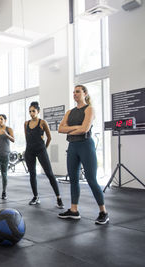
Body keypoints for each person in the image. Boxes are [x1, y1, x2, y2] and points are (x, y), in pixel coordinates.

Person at [58, 85, 109, 225]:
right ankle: (74, 210)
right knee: (73, 179)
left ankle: (103, 212)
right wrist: (75, 128)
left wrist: (70, 131)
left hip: (86, 145)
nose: (74, 94)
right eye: (73, 92)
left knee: (91, 179)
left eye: (78, 91)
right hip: (73, 147)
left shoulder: (90, 109)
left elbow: (85, 129)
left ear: (85, 94)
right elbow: (60, 128)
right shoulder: (69, 112)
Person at [24, 101, 64, 208]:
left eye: (33, 111)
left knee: (49, 174)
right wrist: (27, 150)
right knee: (32, 174)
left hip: (41, 150)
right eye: (30, 111)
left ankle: (58, 198)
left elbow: (49, 137)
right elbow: (27, 138)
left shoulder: (42, 122)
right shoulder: (26, 123)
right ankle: (36, 197)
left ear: (38, 111)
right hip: (29, 151)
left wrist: (44, 149)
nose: (31, 113)